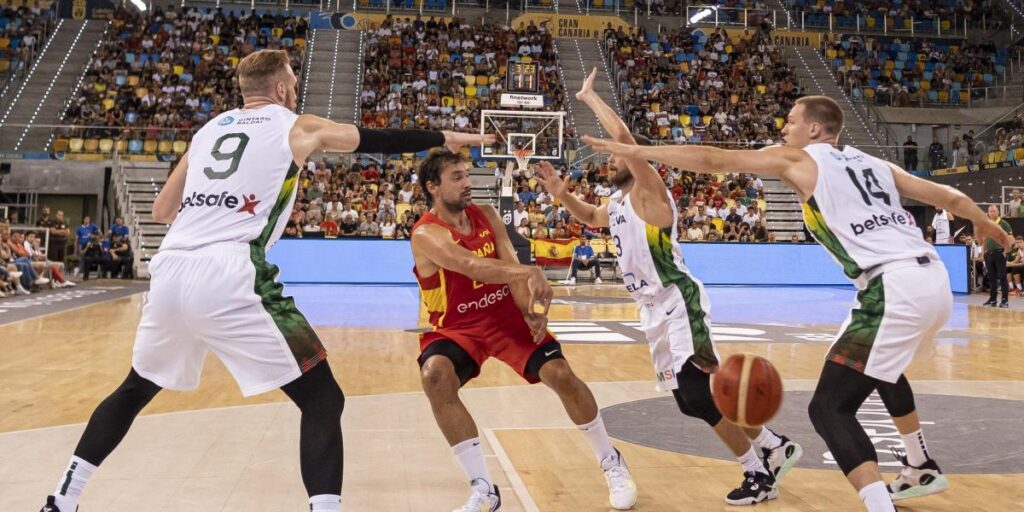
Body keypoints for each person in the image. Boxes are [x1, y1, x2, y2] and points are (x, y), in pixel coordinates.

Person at [38, 49, 490, 512]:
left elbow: (161, 211)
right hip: (231, 270)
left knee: (136, 388)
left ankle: (61, 499)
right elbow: (381, 138)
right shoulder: (297, 125)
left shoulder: (208, 130)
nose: (294, 90)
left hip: (171, 268)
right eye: (292, 82)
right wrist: (451, 135)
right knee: (322, 398)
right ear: (280, 89)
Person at [584, 95, 1014, 512]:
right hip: (934, 280)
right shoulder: (874, 163)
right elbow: (949, 198)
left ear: (813, 128)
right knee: (881, 365)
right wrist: (986, 224)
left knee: (829, 408)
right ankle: (918, 463)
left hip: (892, 284)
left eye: (791, 120)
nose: (784, 128)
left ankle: (881, 502)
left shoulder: (800, 158)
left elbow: (715, 160)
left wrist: (638, 148)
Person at [538, 68, 803, 507]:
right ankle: (774, 444)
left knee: (699, 393)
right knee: (688, 401)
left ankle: (758, 473)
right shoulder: (619, 203)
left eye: (617, 157)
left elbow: (624, 138)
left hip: (680, 302)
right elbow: (588, 218)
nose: (610, 161)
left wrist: (589, 98)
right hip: (652, 311)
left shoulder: (650, 194)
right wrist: (560, 194)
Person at [410, 149, 638, 511]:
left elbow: (508, 261)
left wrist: (530, 309)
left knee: (561, 374)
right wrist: (529, 274)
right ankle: (483, 487)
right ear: (433, 187)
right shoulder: (425, 233)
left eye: (467, 175)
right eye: (457, 177)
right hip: (458, 326)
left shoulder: (485, 214)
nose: (468, 183)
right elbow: (470, 266)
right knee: (435, 376)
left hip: (504, 317)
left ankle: (611, 460)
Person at [982, 204, 1013, 308]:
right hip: (989, 254)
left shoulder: (1004, 223)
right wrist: (983, 252)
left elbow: (1010, 238)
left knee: (1002, 277)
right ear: (988, 213)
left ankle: (1004, 300)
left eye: (994, 211)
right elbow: (984, 238)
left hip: (1000, 252)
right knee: (992, 277)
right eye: (990, 211)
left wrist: (1006, 251)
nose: (992, 213)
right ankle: (993, 299)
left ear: (998, 212)